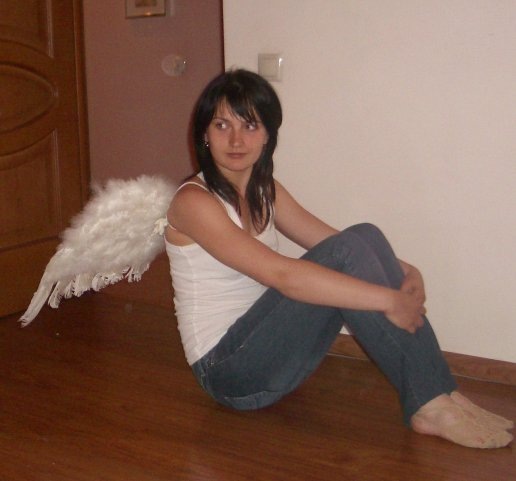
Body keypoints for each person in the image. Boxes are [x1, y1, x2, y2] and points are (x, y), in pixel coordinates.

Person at [164, 69, 513, 449]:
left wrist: (409, 271)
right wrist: (388, 299)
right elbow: (282, 275)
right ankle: (430, 403)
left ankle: (440, 390)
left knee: (363, 235)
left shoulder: (264, 190)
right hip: (227, 372)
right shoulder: (193, 202)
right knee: (347, 251)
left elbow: (338, 242)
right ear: (204, 134)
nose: (236, 140)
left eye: (250, 125)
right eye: (221, 125)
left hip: (269, 351)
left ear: (267, 135)